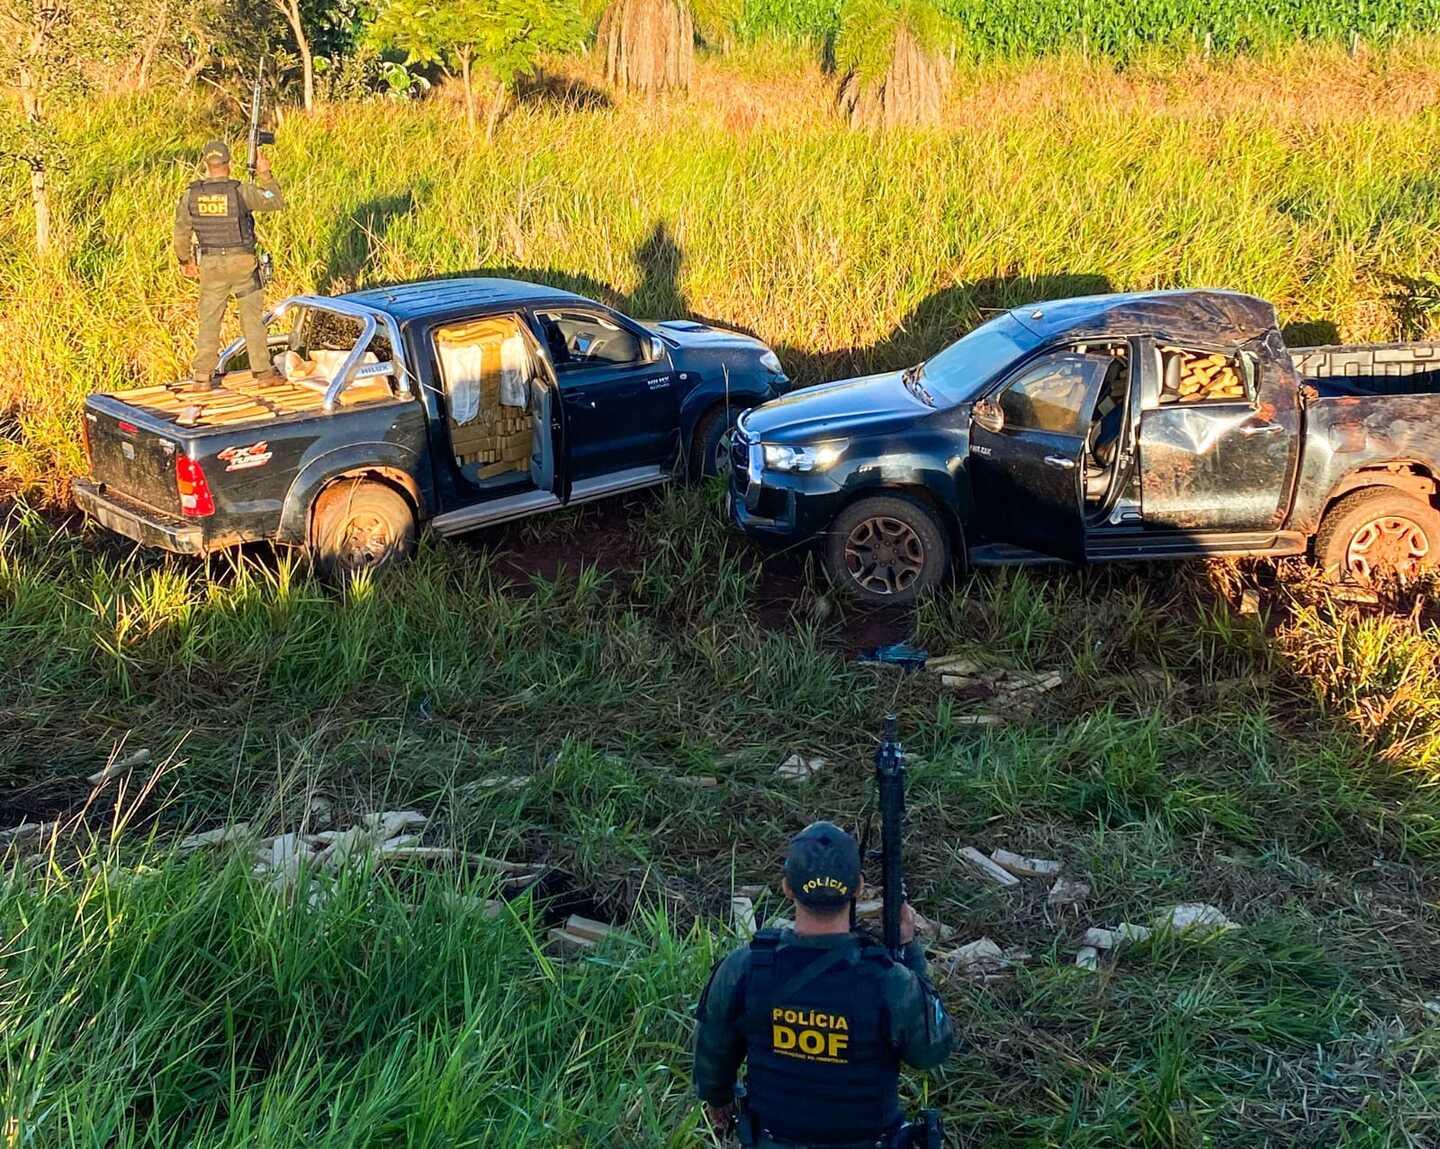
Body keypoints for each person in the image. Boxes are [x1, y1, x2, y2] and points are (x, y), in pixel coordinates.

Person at [694, 822, 955, 1148]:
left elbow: (713, 1054)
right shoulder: (890, 981)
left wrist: (719, 1099)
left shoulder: (744, 967)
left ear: (788, 887)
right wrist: (908, 949)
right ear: (858, 887)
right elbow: (931, 1052)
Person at [173, 138, 285, 391]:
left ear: (205, 163)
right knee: (252, 319)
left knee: (209, 320)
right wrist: (265, 174)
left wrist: (185, 261)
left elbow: (181, 233)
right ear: (229, 164)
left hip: (211, 264)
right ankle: (263, 374)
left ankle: (202, 378)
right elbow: (274, 200)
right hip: (242, 262)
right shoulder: (241, 191)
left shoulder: (192, 195)